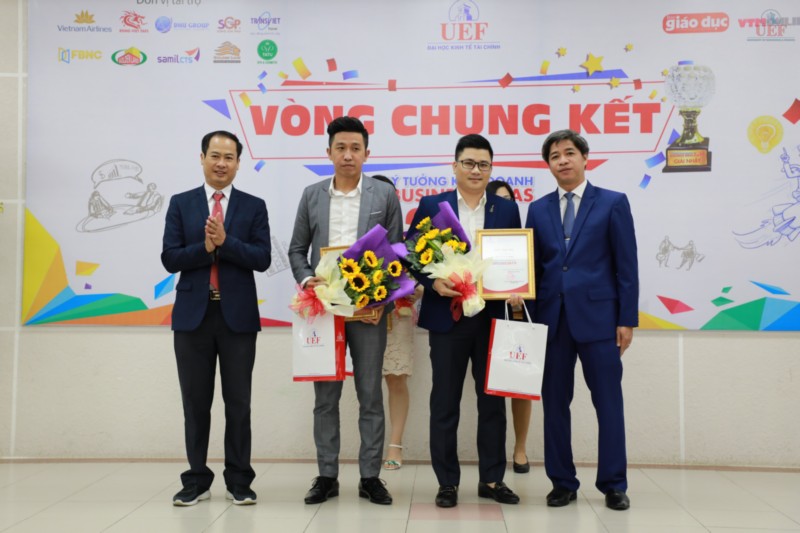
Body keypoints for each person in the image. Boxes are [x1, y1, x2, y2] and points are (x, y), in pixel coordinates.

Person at [288, 116, 402, 506]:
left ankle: (370, 477)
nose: (348, 155)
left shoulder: (384, 195)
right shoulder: (312, 195)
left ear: (367, 153)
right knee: (325, 397)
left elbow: (396, 254)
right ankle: (327, 476)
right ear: (329, 152)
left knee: (370, 394)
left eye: (355, 148)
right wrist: (308, 282)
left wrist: (383, 301)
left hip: (368, 311)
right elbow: (296, 250)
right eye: (341, 148)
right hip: (323, 311)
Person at [524, 129, 638, 511]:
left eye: (569, 153)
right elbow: (534, 268)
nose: (563, 160)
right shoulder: (537, 209)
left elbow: (627, 266)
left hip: (600, 320)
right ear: (548, 165)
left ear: (585, 158)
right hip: (552, 322)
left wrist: (626, 319)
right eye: (555, 156)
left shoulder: (612, 203)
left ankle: (614, 484)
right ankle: (562, 482)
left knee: (609, 403)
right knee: (555, 405)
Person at [406, 134, 521, 508]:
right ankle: (447, 482)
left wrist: (518, 288)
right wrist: (432, 283)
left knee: (492, 403)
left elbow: (517, 257)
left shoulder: (506, 210)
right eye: (469, 163)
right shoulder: (433, 205)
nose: (476, 170)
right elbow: (411, 255)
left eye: (483, 164)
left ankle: (492, 479)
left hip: (491, 317)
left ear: (491, 169)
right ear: (454, 166)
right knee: (444, 401)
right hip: (448, 317)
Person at [161, 130, 271, 507]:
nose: (221, 163)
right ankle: (196, 480)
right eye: (215, 156)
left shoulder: (254, 206)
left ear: (238, 163)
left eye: (229, 157)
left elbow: (262, 258)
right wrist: (205, 248)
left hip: (237, 318)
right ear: (202, 158)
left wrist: (226, 242)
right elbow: (170, 258)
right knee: (195, 403)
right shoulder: (182, 203)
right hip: (193, 317)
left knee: (238, 403)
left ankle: (239, 480)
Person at [370, 175, 421, 471]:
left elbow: (422, 279)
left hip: (398, 317)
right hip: (364, 316)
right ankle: (370, 445)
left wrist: (415, 290)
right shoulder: (357, 243)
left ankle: (395, 444)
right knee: (367, 381)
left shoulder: (406, 243)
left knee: (396, 378)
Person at [485, 179, 532, 474]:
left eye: (509, 199)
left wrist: (519, 298)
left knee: (519, 383)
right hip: (482, 314)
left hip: (515, 312)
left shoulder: (523, 239)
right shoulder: (477, 240)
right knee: (491, 389)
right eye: (498, 199)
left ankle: (520, 448)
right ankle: (492, 453)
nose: (504, 205)